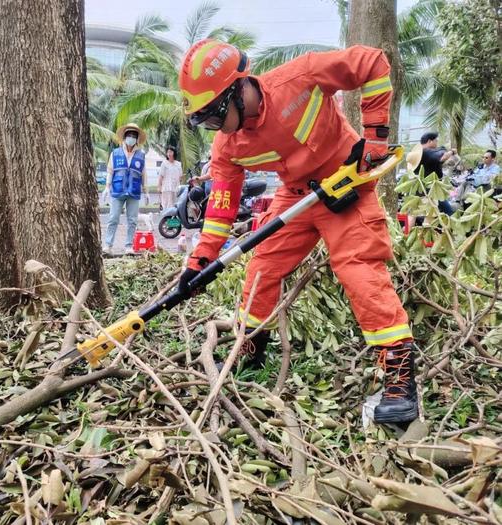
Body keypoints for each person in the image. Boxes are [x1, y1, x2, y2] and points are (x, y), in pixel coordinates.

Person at [177, 40, 417, 424]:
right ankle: (250, 350)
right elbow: (221, 206)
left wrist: (375, 137)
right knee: (261, 269)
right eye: (204, 121)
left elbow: (371, 62)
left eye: (213, 116)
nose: (214, 128)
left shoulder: (300, 78)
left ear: (239, 90)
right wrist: (200, 260)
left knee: (359, 273)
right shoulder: (227, 146)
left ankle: (400, 381)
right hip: (296, 197)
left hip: (346, 183)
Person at [103, 123, 148, 255]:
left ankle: (129, 246)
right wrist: (107, 187)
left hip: (133, 191)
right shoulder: (115, 154)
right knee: (113, 218)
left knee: (132, 220)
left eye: (134, 135)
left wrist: (146, 191)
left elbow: (143, 174)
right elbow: (110, 171)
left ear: (137, 139)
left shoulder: (141, 155)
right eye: (129, 135)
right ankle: (108, 245)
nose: (131, 138)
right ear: (124, 137)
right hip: (118, 190)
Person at [413, 132, 456, 215]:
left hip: (418, 187)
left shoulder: (417, 153)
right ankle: (454, 225)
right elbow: (443, 157)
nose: (437, 143)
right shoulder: (428, 152)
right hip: (431, 188)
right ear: (430, 141)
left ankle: (409, 228)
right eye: (436, 141)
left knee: (414, 214)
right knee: (448, 211)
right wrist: (452, 152)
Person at [158, 146, 182, 211]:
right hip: (166, 188)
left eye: (171, 152)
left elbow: (180, 177)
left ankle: (173, 221)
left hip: (176, 189)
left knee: (175, 206)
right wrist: (159, 187)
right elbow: (161, 176)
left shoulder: (178, 164)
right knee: (167, 206)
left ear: (174, 153)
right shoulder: (164, 163)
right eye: (168, 152)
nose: (169, 153)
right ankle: (166, 220)